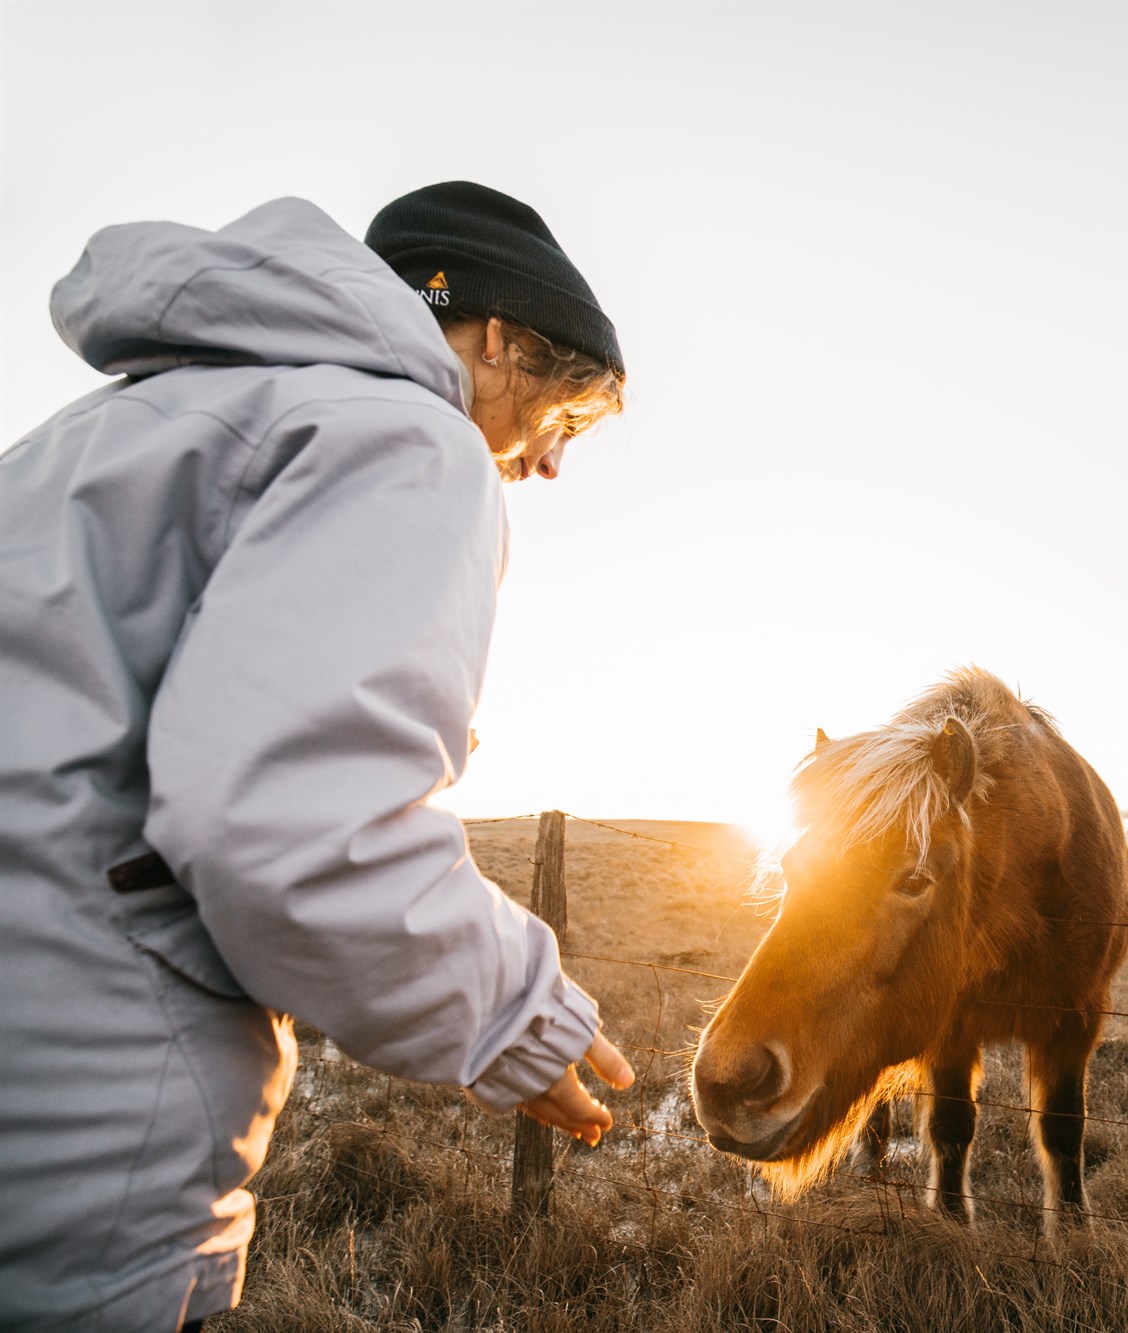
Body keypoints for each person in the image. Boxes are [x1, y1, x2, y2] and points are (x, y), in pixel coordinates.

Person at [0, 182, 636, 1332]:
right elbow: (289, 829)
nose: (548, 465)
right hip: (70, 1161)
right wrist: (513, 1009)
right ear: (496, 336)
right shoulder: (405, 439)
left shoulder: (97, 433)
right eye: (567, 414)